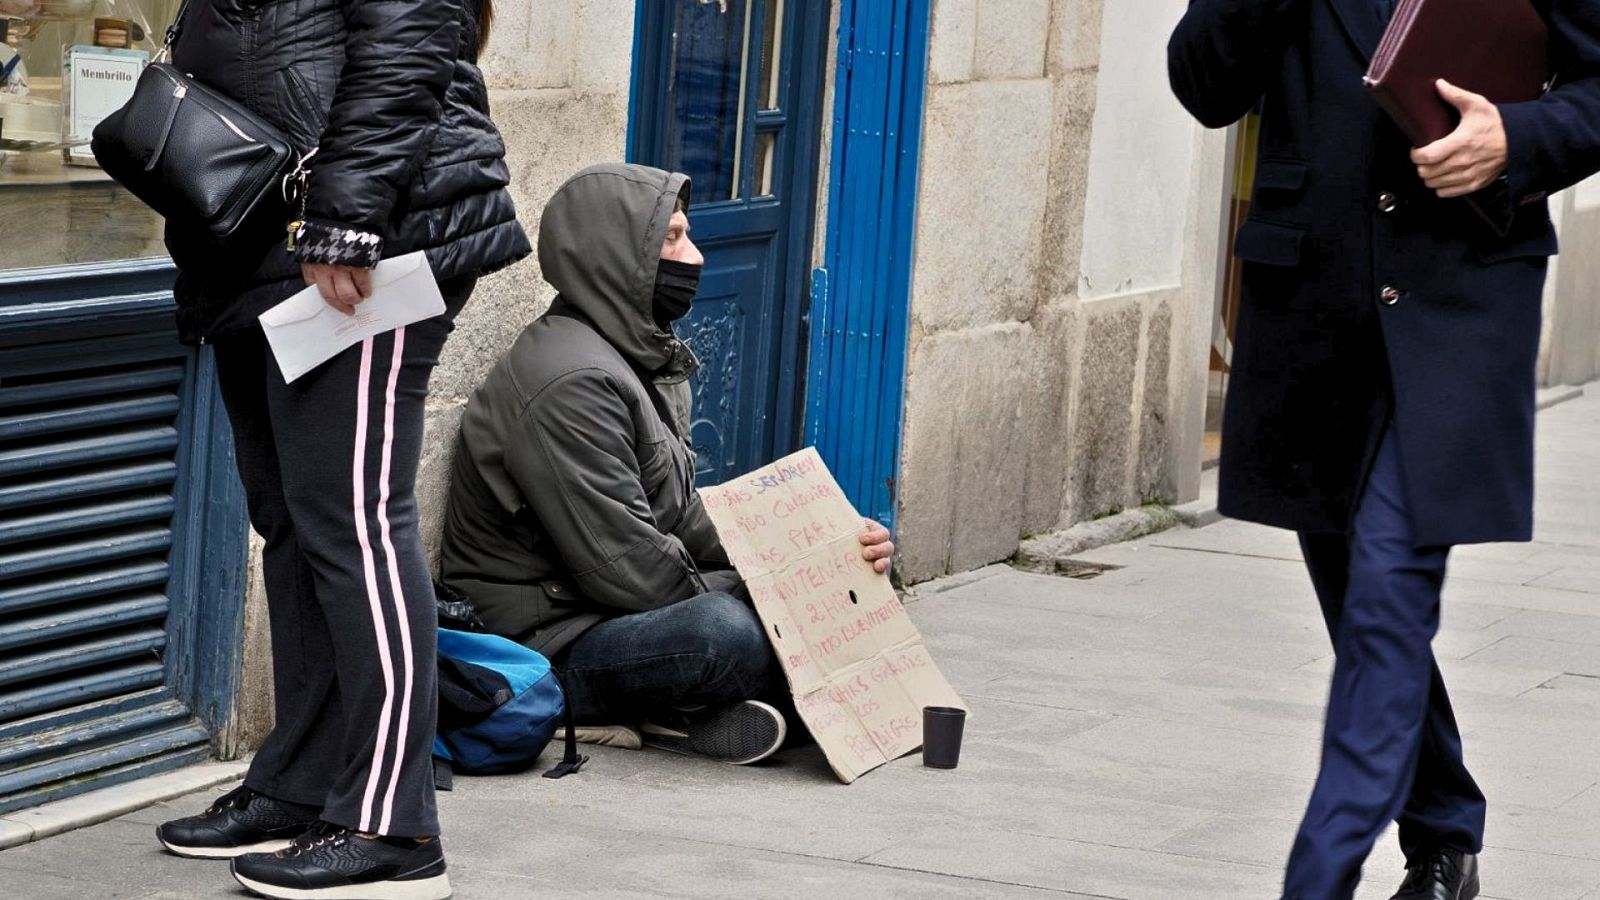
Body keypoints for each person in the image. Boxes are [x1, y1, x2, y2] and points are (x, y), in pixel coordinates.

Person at [1168, 2, 1600, 899]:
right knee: (1363, 597)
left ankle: (1326, 875)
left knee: (1385, 597)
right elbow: (1204, 86)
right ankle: (1444, 823)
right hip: (1312, 308)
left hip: (1458, 301)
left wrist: (1516, 138)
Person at [149, 2, 529, 898]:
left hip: (366, 239)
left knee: (356, 523)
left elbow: (410, 38)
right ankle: (303, 782)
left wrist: (348, 212)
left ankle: (394, 827)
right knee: (294, 520)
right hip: (257, 236)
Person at [439, 163, 895, 766]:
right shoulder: (570, 381)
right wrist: (765, 586)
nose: (696, 256)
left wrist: (816, 550)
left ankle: (693, 714)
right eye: (673, 238)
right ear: (614, 255)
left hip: (608, 612)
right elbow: (627, 571)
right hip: (546, 641)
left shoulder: (637, 355)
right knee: (727, 634)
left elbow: (677, 511)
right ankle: (607, 712)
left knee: (843, 587)